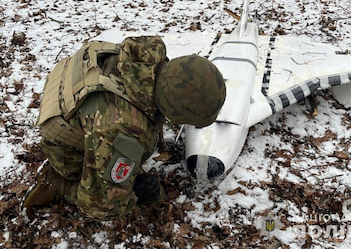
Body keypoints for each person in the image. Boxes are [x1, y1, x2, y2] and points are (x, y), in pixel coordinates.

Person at [22, 36, 226, 220]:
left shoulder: (148, 53)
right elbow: (99, 207)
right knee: (110, 200)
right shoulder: (124, 128)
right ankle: (59, 184)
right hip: (65, 143)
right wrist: (134, 194)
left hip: (69, 95)